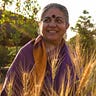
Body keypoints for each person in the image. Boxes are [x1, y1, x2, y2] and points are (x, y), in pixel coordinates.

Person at [0, 3, 77, 96]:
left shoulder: (73, 57)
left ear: (67, 26)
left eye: (58, 20)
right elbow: (10, 89)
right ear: (40, 24)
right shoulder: (26, 53)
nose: (52, 25)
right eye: (47, 20)